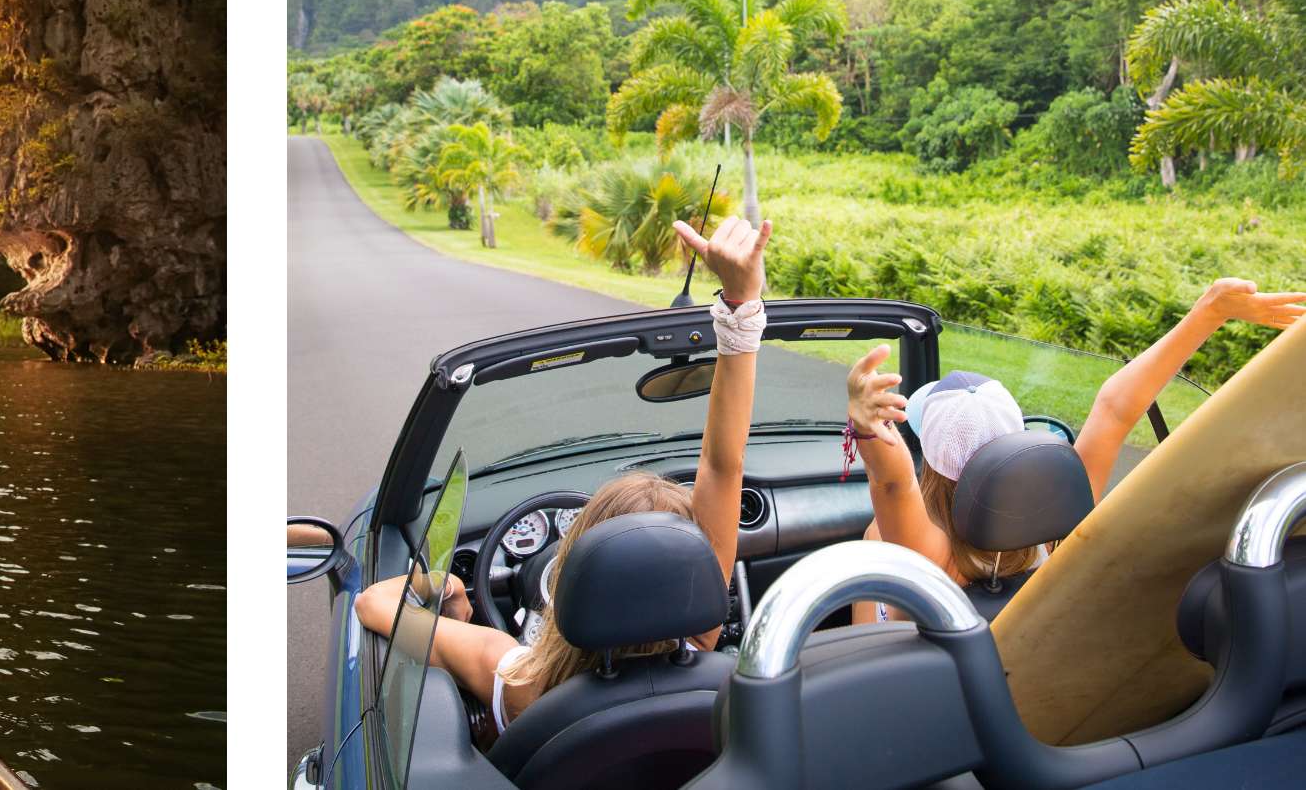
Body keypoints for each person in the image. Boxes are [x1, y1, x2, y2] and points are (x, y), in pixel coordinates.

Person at [356, 214, 771, 741]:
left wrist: (447, 584)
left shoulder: (518, 678)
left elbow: (373, 605)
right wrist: (740, 303)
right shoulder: (707, 649)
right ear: (694, 577)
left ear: (572, 569)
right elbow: (721, 464)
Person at [848, 278, 1303, 619]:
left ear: (929, 453)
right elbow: (1115, 410)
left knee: (867, 558)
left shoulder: (925, 554)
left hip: (923, 710)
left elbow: (893, 483)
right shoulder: (1058, 525)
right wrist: (1208, 311)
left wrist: (866, 424)